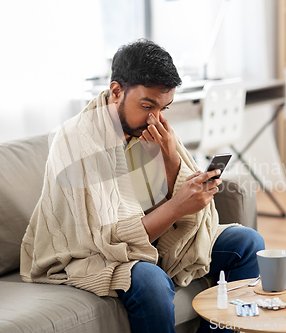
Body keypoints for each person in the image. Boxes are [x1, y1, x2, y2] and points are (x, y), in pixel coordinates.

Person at [21, 39, 264, 333]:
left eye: (164, 108)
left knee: (247, 244)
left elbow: (195, 215)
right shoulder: (77, 139)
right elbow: (106, 240)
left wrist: (171, 158)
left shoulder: (153, 131)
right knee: (150, 280)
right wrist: (177, 206)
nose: (155, 119)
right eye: (147, 105)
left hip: (149, 243)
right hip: (90, 254)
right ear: (115, 92)